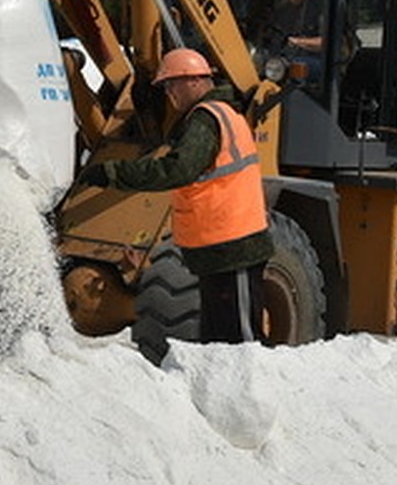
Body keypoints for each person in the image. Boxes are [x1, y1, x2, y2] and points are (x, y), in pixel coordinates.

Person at [78, 47, 274, 347]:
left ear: (194, 81)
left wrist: (114, 173)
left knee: (243, 342)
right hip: (219, 250)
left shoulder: (205, 119)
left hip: (235, 248)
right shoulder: (217, 114)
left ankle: (256, 393)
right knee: (219, 342)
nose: (169, 94)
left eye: (172, 85)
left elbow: (178, 169)